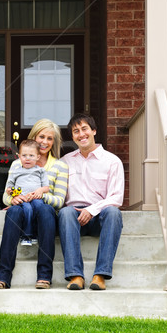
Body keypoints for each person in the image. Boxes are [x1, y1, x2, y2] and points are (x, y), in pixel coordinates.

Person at [0, 119, 69, 289]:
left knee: (46, 210)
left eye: (50, 138)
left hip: (45, 218)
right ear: (34, 136)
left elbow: (60, 201)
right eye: (42, 136)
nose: (45, 142)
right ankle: (3, 276)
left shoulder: (60, 166)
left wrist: (40, 195)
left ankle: (44, 276)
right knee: (13, 212)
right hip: (22, 213)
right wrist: (14, 199)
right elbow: (7, 194)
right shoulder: (17, 164)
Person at [58, 113, 124, 291]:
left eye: (84, 129)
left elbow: (116, 197)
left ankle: (100, 275)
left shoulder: (112, 161)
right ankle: (76, 275)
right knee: (65, 212)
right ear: (72, 137)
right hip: (72, 218)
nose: (81, 134)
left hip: (99, 217)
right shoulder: (65, 162)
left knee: (113, 212)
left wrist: (92, 210)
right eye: (76, 131)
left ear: (94, 131)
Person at [3, 139, 50, 246]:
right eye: (24, 155)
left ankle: (37, 233)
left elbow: (46, 187)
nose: (27, 158)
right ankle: (27, 235)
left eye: (31, 155)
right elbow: (9, 188)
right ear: (19, 156)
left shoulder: (40, 170)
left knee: (40, 207)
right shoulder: (16, 171)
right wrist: (14, 194)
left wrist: (40, 190)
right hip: (23, 199)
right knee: (27, 209)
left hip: (36, 198)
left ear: (38, 157)